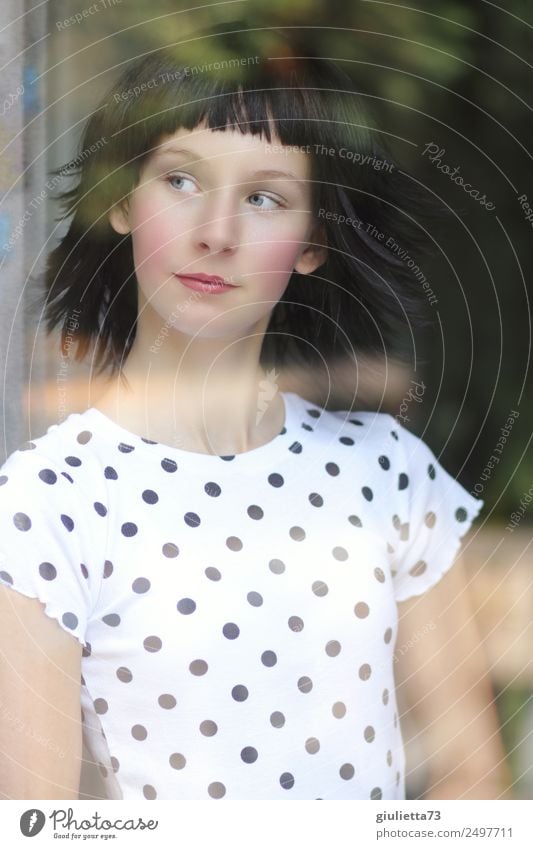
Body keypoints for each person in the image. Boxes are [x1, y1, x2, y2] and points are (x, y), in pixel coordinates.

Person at [0, 21, 507, 801]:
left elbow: (474, 779)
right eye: (180, 180)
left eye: (265, 197)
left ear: (312, 242)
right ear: (121, 202)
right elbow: (31, 819)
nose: (216, 233)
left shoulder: (388, 470)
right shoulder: (48, 502)